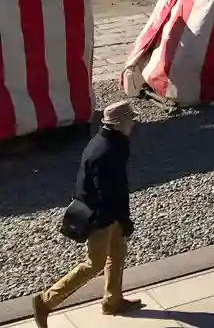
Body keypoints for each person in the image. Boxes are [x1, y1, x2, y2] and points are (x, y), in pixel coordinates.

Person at [32, 100, 143, 323]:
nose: (133, 123)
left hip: (109, 213)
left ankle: (113, 301)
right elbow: (107, 193)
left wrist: (121, 217)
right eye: (130, 119)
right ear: (117, 124)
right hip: (101, 216)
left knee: (117, 252)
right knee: (95, 263)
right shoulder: (106, 151)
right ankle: (46, 301)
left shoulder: (112, 142)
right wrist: (122, 218)